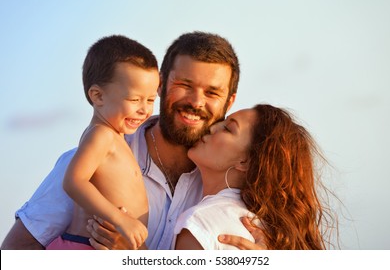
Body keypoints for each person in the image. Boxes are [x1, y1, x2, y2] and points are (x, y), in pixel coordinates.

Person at [1, 31, 260, 250]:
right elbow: (14, 253)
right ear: (161, 85)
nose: (195, 101)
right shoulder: (92, 162)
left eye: (212, 92)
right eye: (184, 84)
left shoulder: (226, 186)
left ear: (230, 101)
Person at [46, 35, 159, 250]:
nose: (144, 109)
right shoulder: (101, 135)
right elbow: (74, 181)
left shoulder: (116, 138)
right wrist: (120, 219)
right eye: (135, 99)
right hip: (85, 246)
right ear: (98, 96)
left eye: (151, 99)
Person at [174, 104, 338, 250]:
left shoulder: (201, 223)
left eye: (228, 128)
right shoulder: (267, 230)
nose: (212, 128)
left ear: (244, 161)